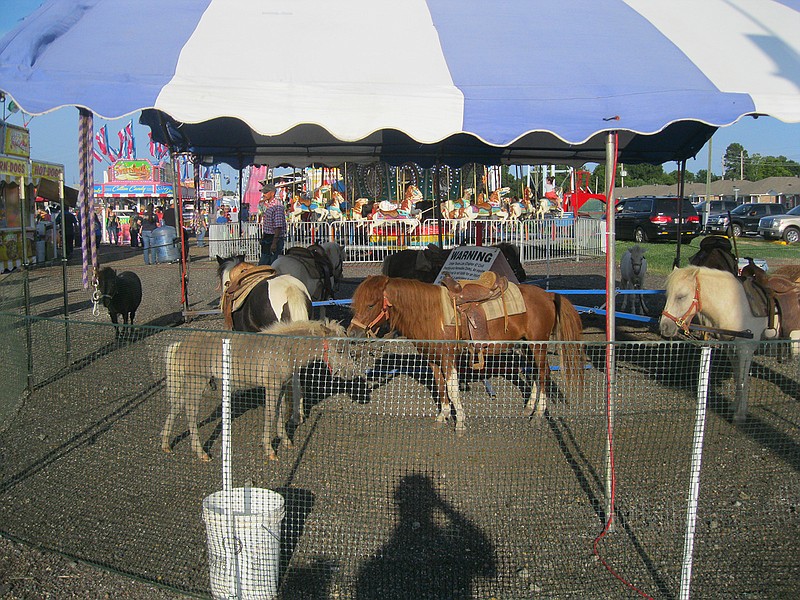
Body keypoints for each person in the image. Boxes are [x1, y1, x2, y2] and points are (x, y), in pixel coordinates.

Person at [258, 182, 286, 266]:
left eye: (266, 192)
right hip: (268, 237)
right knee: (265, 262)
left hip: (274, 238)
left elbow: (278, 227)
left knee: (270, 263)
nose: (264, 194)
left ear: (272, 193)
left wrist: (274, 243)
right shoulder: (269, 205)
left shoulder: (277, 206)